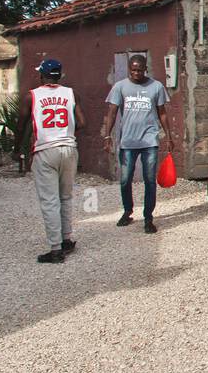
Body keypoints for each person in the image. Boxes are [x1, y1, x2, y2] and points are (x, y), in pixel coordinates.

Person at [16, 59, 86, 263]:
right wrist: (65, 132)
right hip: (69, 148)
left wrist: (17, 149)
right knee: (65, 196)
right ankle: (66, 239)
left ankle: (56, 250)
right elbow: (82, 122)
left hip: (45, 149)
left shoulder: (32, 96)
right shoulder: (71, 93)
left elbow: (21, 125)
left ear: (42, 76)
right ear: (59, 75)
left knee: (49, 200)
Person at [102, 54, 172, 233]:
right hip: (128, 142)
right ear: (129, 69)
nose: (136, 73)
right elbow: (112, 112)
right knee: (125, 180)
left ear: (145, 69)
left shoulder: (156, 87)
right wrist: (107, 136)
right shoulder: (120, 87)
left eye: (139, 70)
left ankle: (148, 217)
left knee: (149, 180)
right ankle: (127, 211)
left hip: (149, 140)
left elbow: (162, 113)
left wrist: (169, 136)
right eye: (133, 70)